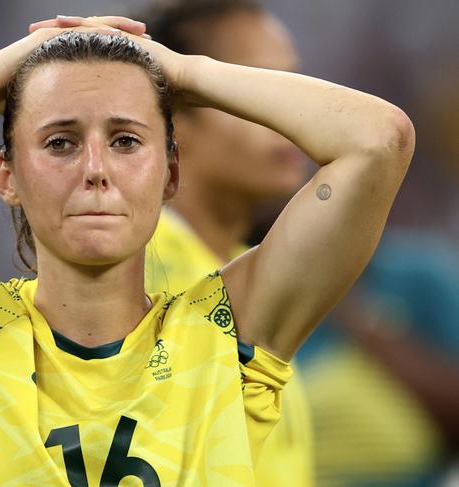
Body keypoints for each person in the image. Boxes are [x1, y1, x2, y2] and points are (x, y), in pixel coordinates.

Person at [0, 13, 414, 486]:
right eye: (59, 142)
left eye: (126, 140)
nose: (96, 169)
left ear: (171, 174)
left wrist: (182, 73)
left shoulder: (229, 337)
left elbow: (379, 140)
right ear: (8, 175)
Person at [139, 1, 314, 485]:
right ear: (174, 119)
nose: (289, 113)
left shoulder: (246, 266)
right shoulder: (139, 281)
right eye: (253, 88)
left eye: (292, 84)